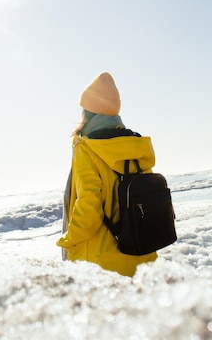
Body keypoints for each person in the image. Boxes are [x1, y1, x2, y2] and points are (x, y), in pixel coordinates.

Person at [57, 72, 157, 276]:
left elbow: (89, 205)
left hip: (99, 266)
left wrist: (68, 240)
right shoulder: (136, 147)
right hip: (142, 260)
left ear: (89, 112)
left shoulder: (86, 148)